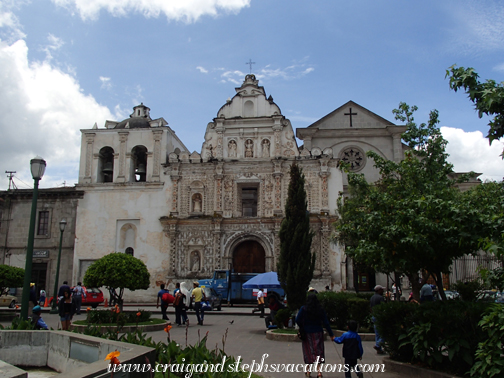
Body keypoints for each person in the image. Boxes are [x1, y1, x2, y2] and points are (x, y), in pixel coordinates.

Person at [296, 293, 334, 377]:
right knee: (318, 351)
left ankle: (308, 371)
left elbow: (297, 319)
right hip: (318, 332)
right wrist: (331, 334)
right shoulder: (320, 309)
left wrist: (302, 326)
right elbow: (326, 323)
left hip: (307, 332)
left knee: (308, 351)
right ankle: (319, 372)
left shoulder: (304, 309)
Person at [370, 284, 385, 354]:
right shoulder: (380, 298)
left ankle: (379, 348)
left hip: (374, 315)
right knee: (383, 332)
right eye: (382, 290)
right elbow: (383, 307)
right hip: (379, 316)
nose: (383, 291)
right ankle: (378, 344)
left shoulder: (372, 297)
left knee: (377, 333)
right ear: (379, 290)